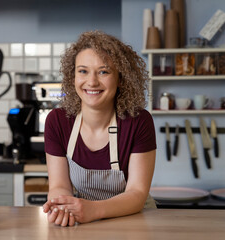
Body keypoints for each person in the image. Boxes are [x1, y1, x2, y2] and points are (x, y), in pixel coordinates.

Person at [42, 30, 156, 227]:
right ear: (73, 77)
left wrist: (92, 210)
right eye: (83, 71)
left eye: (104, 71)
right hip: (83, 220)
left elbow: (137, 193)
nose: (92, 81)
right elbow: (59, 185)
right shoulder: (57, 121)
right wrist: (62, 206)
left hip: (134, 221)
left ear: (121, 79)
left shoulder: (139, 121)